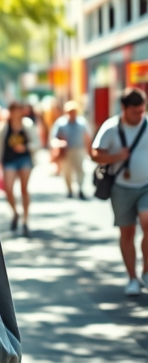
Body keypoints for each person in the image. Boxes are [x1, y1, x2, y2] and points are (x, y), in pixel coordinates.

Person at [92, 88, 148, 296]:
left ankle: (147, 271)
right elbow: (96, 155)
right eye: (135, 112)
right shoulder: (111, 128)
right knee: (128, 232)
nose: (139, 116)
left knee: (147, 223)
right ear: (124, 108)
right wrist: (116, 156)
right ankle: (132, 277)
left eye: (142, 111)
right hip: (121, 188)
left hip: (146, 186)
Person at [0, 102, 40, 237]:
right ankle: (15, 212)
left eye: (20, 109)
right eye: (15, 110)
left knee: (24, 188)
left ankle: (25, 220)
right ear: (11, 111)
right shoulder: (3, 126)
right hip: (9, 161)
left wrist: (25, 147)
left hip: (24, 159)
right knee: (8, 189)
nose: (18, 112)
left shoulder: (27, 124)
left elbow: (37, 142)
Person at [50, 101, 92, 199]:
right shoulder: (61, 123)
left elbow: (87, 137)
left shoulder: (82, 122)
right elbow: (53, 138)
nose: (72, 113)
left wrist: (89, 151)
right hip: (66, 151)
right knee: (67, 171)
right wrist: (59, 144)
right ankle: (69, 190)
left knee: (80, 170)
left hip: (79, 149)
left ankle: (80, 189)